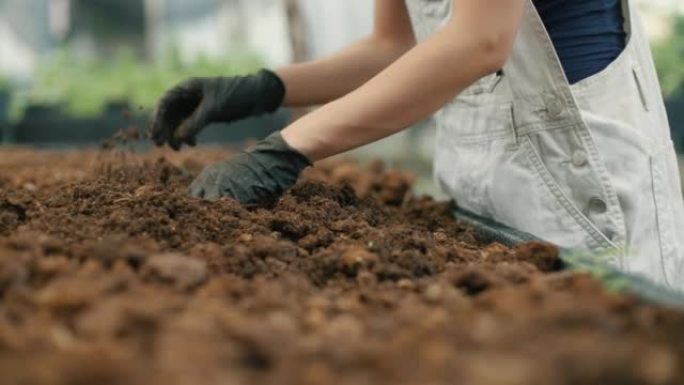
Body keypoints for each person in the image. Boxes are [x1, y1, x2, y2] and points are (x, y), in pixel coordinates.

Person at [150, 0, 684, 290]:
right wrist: (259, 89)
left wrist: (286, 149)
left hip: (577, 161)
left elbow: (480, 41)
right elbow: (397, 46)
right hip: (481, 162)